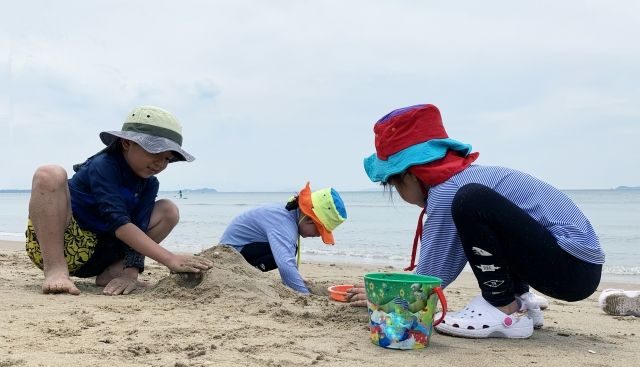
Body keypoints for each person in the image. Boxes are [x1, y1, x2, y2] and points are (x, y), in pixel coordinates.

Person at [350, 103, 604, 338]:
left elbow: (431, 274)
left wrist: (390, 297)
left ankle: (502, 307)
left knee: (471, 200)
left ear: (410, 176)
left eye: (394, 185)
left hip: (572, 266)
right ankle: (518, 299)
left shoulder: (449, 191)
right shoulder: (463, 179)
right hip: (575, 267)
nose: (399, 194)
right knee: (479, 210)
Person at [26, 105, 213, 296]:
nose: (160, 163)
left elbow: (139, 228)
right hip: (64, 244)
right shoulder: (104, 165)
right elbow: (119, 223)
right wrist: (170, 259)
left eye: (167, 158)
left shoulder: (149, 184)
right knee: (49, 173)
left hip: (104, 254)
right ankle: (56, 271)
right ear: (126, 143)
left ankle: (115, 272)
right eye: (155, 152)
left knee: (168, 210)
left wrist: (130, 274)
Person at [219, 183, 347, 294]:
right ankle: (243, 274)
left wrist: (296, 278)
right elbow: (285, 264)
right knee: (287, 254)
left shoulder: (289, 214)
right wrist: (304, 294)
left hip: (240, 249)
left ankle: (247, 273)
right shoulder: (283, 222)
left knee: (290, 250)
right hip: (229, 255)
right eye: (319, 231)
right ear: (309, 219)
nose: (317, 236)